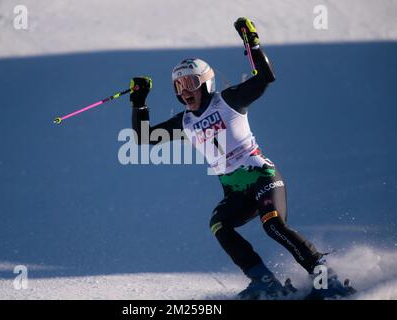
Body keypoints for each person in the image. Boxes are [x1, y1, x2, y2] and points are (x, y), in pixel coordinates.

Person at [128, 18, 352, 299]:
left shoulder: (228, 100)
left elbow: (265, 78)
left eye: (191, 83)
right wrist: (140, 101)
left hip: (262, 177)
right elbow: (143, 137)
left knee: (272, 224)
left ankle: (324, 278)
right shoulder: (184, 121)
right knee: (220, 225)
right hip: (236, 190)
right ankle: (265, 283)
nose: (184, 91)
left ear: (207, 83)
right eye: (178, 86)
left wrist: (252, 42)